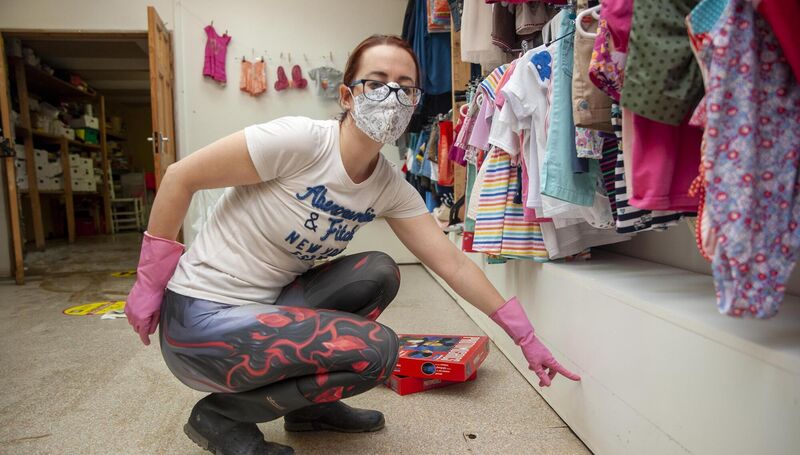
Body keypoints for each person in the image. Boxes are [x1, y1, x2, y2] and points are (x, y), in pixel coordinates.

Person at [125, 34, 580, 455]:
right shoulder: (300, 141)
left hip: (264, 308)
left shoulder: (387, 184)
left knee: (379, 271)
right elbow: (180, 177)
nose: (392, 96)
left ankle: (309, 409)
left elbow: (453, 265)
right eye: (377, 83)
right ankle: (220, 417)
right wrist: (150, 283)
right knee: (378, 350)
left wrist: (525, 336)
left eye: (406, 87)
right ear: (347, 96)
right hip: (200, 323)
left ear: (416, 103)